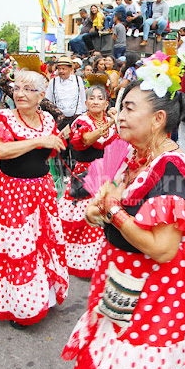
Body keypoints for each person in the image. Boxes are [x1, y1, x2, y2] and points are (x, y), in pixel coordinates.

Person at [62, 53, 185, 369]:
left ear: (157, 119)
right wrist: (97, 213)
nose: (118, 115)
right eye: (121, 106)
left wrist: (113, 212)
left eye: (128, 108)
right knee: (111, 357)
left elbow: (163, 248)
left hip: (155, 292)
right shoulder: (133, 156)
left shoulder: (173, 171)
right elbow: (110, 209)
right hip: (122, 280)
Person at [0, 68, 68, 329]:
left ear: (41, 95)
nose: (21, 94)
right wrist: (39, 141)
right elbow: (1, 149)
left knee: (39, 247)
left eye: (28, 89)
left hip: (42, 192)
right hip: (11, 193)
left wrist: (57, 141)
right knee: (15, 250)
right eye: (17, 89)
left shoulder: (48, 119)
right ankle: (17, 304)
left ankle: (40, 299)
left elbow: (48, 150)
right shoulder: (4, 117)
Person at [57, 86, 118, 277]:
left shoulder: (111, 120)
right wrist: (109, 124)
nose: (96, 102)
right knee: (84, 219)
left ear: (107, 103)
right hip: (86, 174)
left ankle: (103, 262)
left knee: (105, 215)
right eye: (92, 98)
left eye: (100, 99)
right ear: (86, 103)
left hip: (107, 174)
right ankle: (83, 263)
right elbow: (87, 140)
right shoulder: (82, 121)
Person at [45, 56, 86, 130]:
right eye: (59, 69)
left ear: (70, 69)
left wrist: (83, 115)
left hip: (75, 119)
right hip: (59, 120)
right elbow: (48, 101)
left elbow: (82, 98)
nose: (61, 71)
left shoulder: (77, 80)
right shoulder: (53, 82)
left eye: (63, 69)